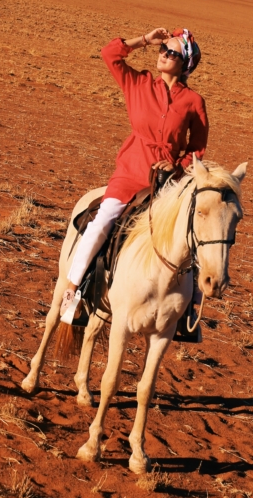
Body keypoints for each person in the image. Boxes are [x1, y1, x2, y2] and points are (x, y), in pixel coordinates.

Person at [60, 26, 208, 323]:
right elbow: (109, 54)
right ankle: (71, 295)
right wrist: (144, 40)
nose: (163, 54)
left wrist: (177, 166)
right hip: (131, 172)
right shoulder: (138, 84)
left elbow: (198, 148)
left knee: (191, 233)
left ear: (185, 63)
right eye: (162, 50)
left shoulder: (193, 101)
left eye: (172, 52)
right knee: (102, 222)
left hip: (167, 183)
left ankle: (188, 313)